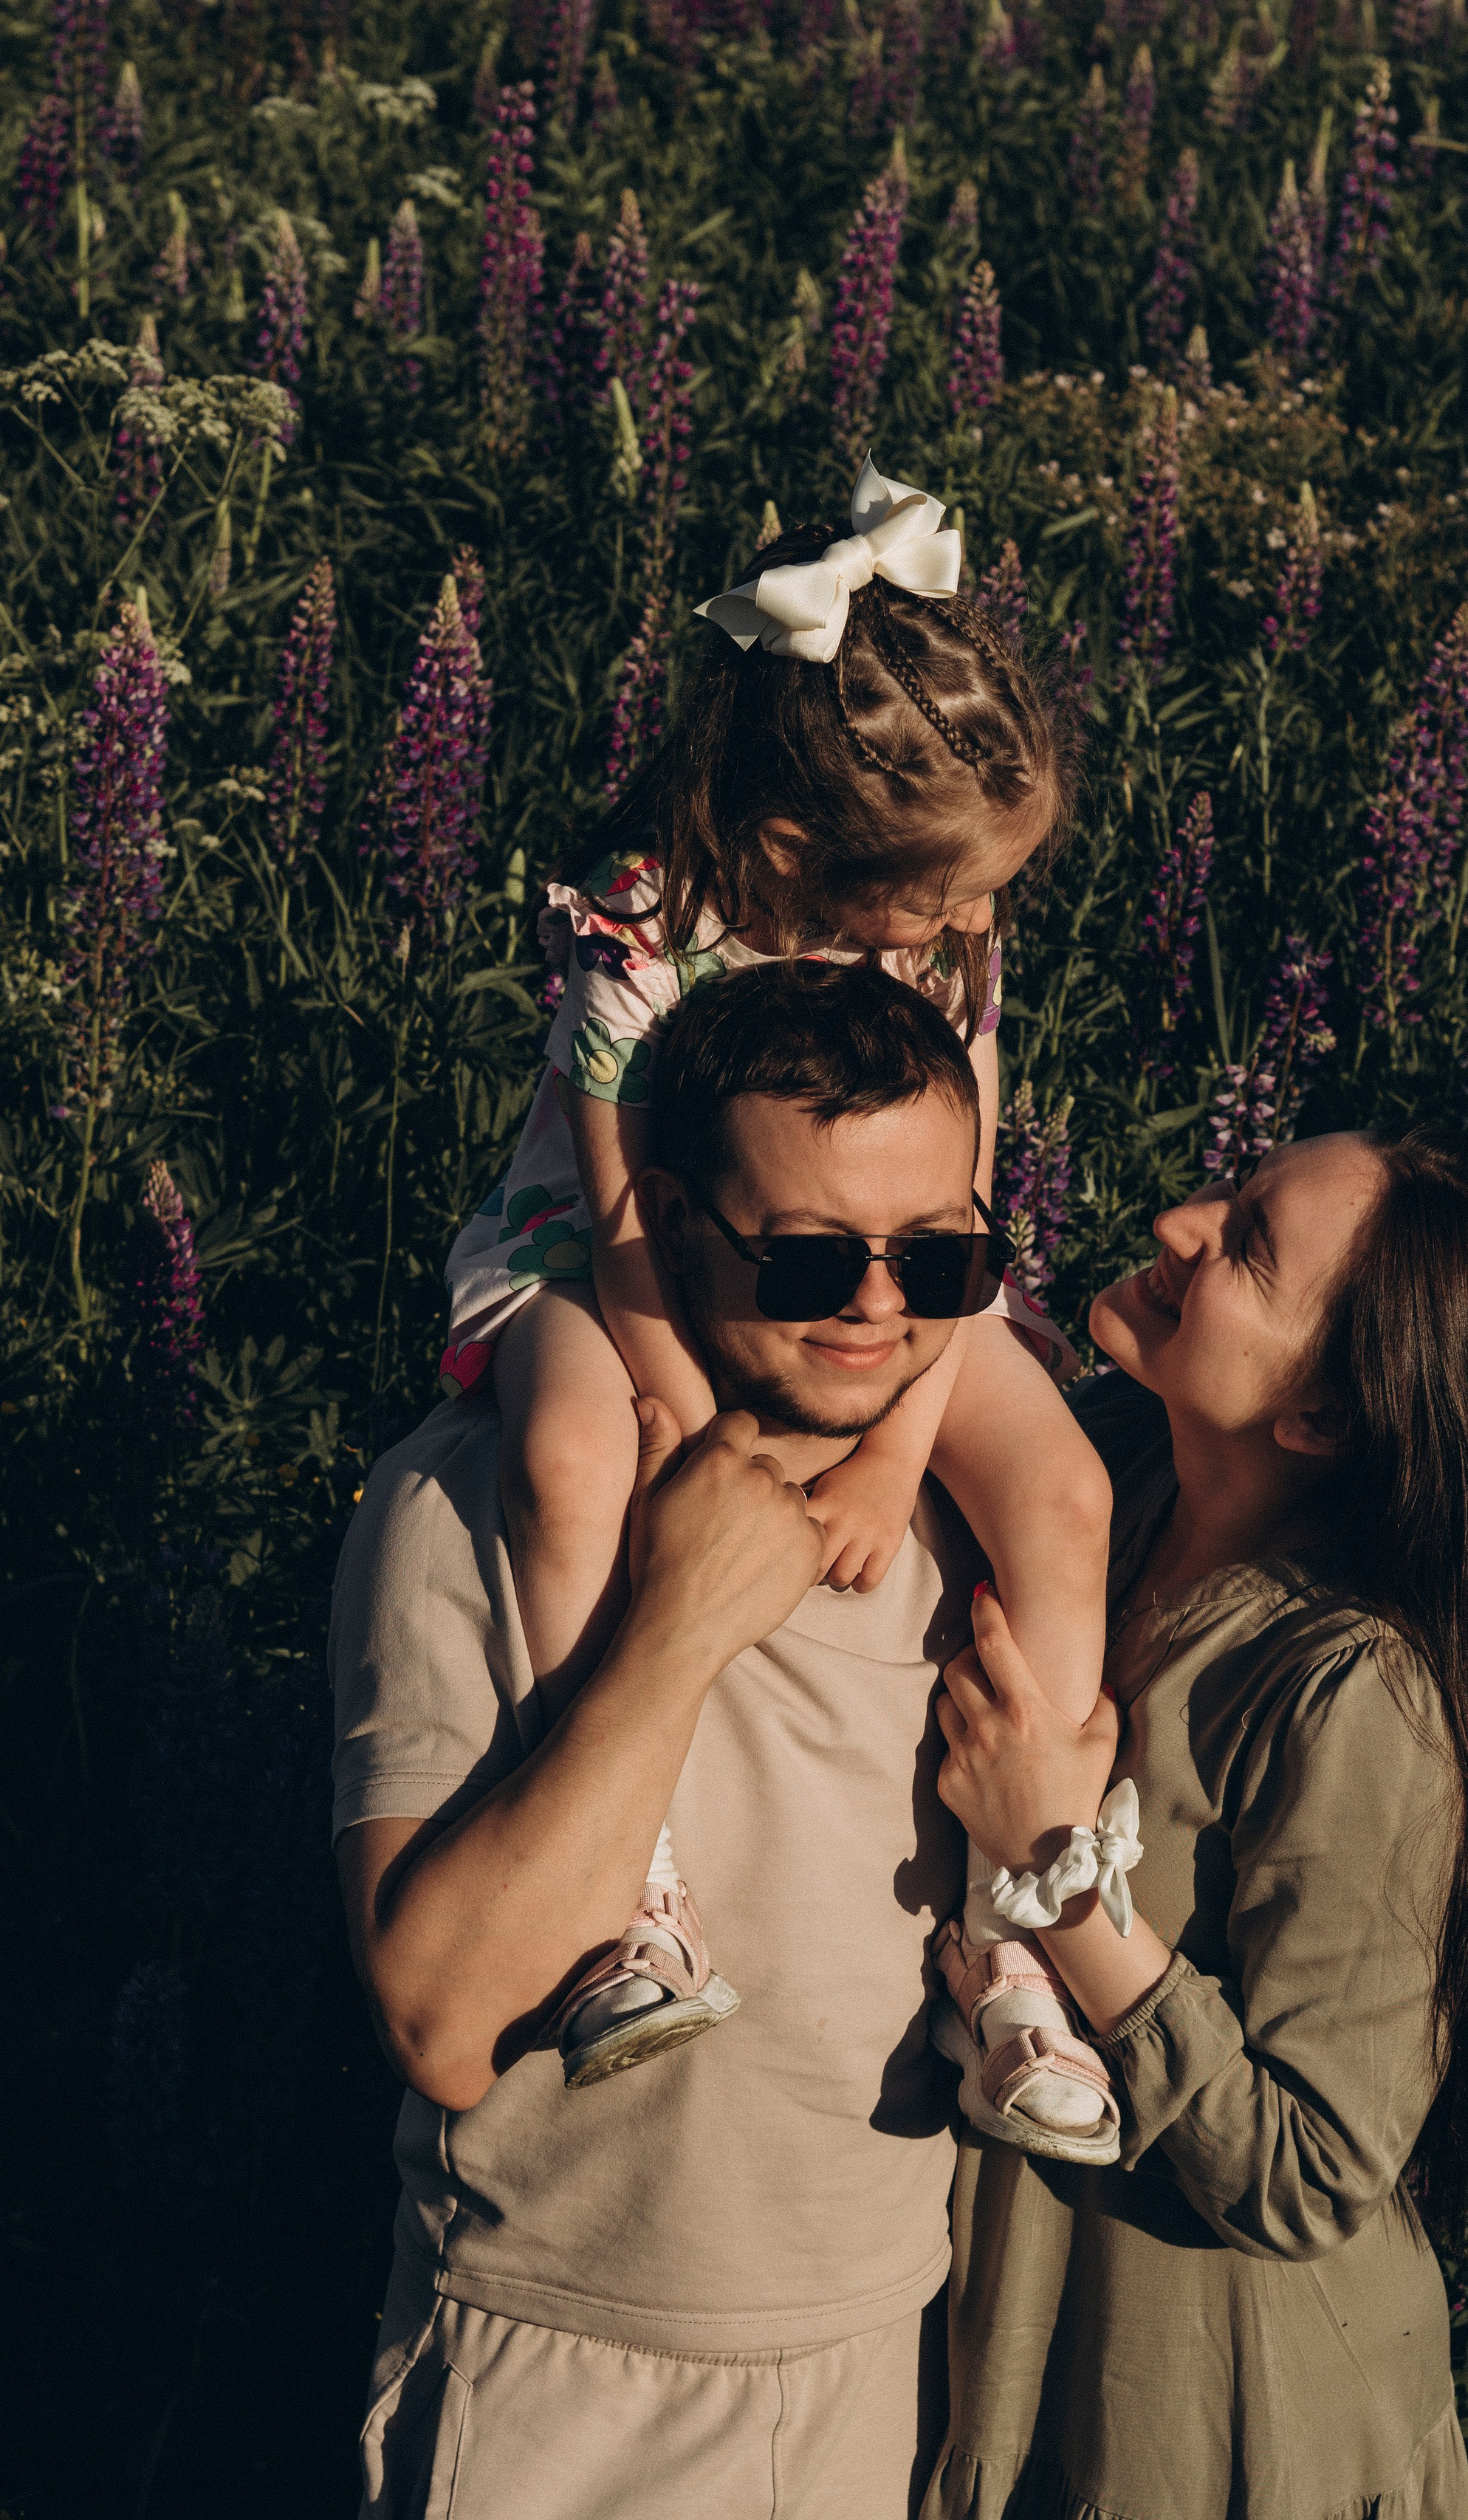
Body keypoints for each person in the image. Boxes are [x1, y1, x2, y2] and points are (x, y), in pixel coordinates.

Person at [433, 456, 1117, 2141]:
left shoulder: (948, 929)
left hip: (887, 1278)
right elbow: (615, 1213)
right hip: (621, 1261)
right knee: (576, 1463)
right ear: (801, 847)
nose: (971, 922)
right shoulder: (643, 922)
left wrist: (895, 1452)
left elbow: (959, 1200)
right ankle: (623, 1896)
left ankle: (1010, 1930)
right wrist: (675, 1402)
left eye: (983, 895)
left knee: (1063, 1491)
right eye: (940, 895)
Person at [335, 958, 1063, 2517]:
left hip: (878, 2354)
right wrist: (671, 1629)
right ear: (664, 1220)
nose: (880, 1310)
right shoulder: (471, 1499)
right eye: (808, 1261)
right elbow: (444, 2022)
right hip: (564, 2375)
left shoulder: (972, 1512)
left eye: (937, 1261)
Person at [922, 1125, 1468, 2519]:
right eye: (1233, 1201)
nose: (1179, 1225)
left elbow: (1313, 2168)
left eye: (1245, 1245)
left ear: (1327, 1418)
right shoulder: (1099, 1483)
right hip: (1024, 2340)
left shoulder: (1356, 1689)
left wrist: (1068, 1882)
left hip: (1225, 2431)